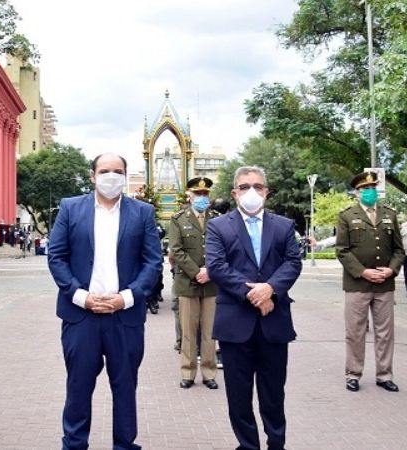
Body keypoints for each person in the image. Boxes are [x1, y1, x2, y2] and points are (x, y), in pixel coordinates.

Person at [47, 152, 162, 450]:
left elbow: (153, 262)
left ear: (125, 176)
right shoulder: (71, 208)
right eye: (104, 170)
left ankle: (124, 445)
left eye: (117, 171)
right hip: (81, 316)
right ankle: (74, 444)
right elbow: (57, 256)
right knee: (78, 388)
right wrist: (81, 297)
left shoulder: (143, 213)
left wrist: (126, 298)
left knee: (125, 388)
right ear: (92, 176)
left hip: (124, 317)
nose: (111, 176)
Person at [205, 166, 302, 450]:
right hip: (236, 324)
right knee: (238, 395)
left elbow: (292, 262)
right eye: (245, 186)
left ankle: (276, 444)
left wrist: (270, 288)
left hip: (274, 322)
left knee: (274, 394)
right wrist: (255, 294)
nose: (252, 192)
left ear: (266, 192)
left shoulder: (284, 226)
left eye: (258, 187)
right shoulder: (218, 226)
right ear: (234, 193)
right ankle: (248, 446)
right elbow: (217, 266)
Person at [335, 171, 404, 393]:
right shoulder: (347, 216)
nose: (370, 192)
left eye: (373, 188)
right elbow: (342, 250)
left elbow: (398, 250)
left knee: (385, 333)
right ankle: (353, 374)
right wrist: (363, 272)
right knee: (355, 331)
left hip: (384, 284)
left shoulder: (389, 215)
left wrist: (391, 270)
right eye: (365, 189)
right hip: (357, 284)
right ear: (357, 192)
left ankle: (385, 375)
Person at [169, 177, 219, 389]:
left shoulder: (217, 219)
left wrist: (209, 271)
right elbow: (176, 250)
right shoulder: (178, 219)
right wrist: (196, 271)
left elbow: (221, 248)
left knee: (209, 331)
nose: (201, 197)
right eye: (197, 194)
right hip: (187, 282)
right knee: (188, 331)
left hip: (211, 283)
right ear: (189, 195)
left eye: (205, 194)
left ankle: (209, 373)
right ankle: (188, 372)